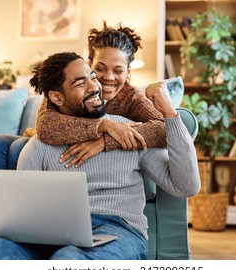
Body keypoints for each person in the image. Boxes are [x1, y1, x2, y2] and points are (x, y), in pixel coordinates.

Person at [0, 52, 200, 260]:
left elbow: (186, 186)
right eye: (80, 83)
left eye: (92, 78)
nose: (95, 86)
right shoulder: (40, 145)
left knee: (70, 259)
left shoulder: (128, 132)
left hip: (117, 232)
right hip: (50, 236)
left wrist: (169, 113)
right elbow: (24, 216)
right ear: (56, 97)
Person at [35, 21, 167, 168]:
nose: (109, 77)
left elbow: (164, 129)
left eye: (118, 71)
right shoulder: (65, 92)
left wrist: (106, 140)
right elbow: (44, 125)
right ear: (89, 64)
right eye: (100, 68)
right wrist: (105, 125)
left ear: (128, 73)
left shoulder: (130, 97)